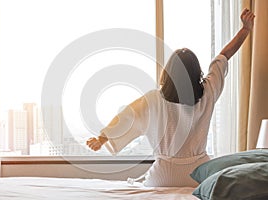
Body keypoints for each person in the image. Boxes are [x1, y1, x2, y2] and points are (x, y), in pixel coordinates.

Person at [86, 8, 255, 187]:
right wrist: (245, 29)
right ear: (197, 71)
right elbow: (223, 57)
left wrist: (102, 138)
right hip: (199, 175)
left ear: (168, 72)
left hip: (163, 176)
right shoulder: (208, 92)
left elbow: (127, 117)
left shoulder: (154, 99)